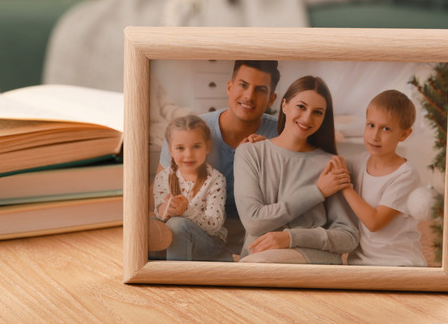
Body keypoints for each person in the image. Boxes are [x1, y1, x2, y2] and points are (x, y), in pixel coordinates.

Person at [158, 60, 281, 257]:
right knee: (172, 226)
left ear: (271, 99)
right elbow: (162, 193)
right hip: (199, 231)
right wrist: (168, 206)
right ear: (229, 87)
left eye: (260, 90)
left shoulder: (282, 133)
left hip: (256, 237)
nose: (249, 96)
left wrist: (270, 154)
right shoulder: (187, 132)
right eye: (243, 85)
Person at [234, 76, 358, 264]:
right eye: (301, 106)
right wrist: (317, 192)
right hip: (258, 259)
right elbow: (254, 222)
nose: (307, 118)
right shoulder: (250, 152)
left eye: (317, 112)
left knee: (258, 266)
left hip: (311, 259)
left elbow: (348, 237)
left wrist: (291, 238)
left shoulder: (330, 164)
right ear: (285, 105)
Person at [338, 89, 427, 267]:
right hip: (360, 262)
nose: (375, 136)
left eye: (386, 129)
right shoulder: (357, 163)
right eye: (371, 125)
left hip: (399, 262)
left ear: (404, 135)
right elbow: (327, 163)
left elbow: (374, 222)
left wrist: (345, 186)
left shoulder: (405, 175)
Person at [152, 115, 227, 261]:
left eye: (196, 146)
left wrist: (185, 211)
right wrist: (162, 210)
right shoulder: (163, 177)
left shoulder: (215, 180)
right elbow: (159, 210)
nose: (188, 155)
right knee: (149, 223)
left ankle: (176, 275)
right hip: (173, 237)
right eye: (180, 148)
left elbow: (214, 225)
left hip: (210, 243)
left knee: (177, 224)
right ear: (170, 150)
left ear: (207, 147)